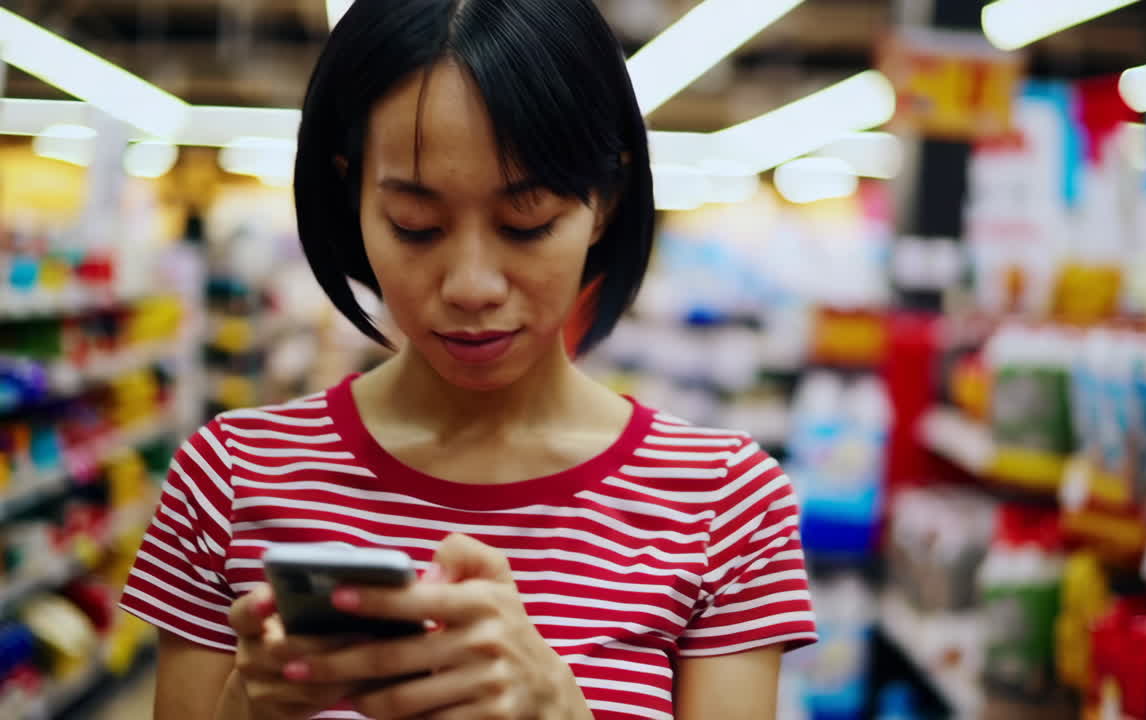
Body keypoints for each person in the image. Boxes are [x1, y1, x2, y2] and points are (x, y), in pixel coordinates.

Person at [120, 0, 817, 718]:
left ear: (605, 200)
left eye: (528, 223)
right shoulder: (231, 479)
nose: (471, 286)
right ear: (351, 193)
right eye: (415, 227)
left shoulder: (723, 503)